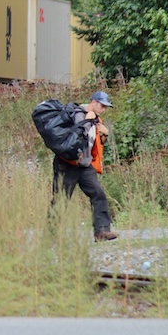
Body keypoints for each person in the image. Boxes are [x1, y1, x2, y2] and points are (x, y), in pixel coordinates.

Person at [52, 90, 118, 241]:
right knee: (61, 199)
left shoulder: (97, 120)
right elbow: (74, 137)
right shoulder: (77, 114)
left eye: (106, 107)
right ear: (93, 102)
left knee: (98, 193)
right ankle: (52, 235)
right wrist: (87, 122)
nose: (104, 109)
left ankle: (101, 231)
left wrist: (105, 134)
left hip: (85, 165)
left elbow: (94, 143)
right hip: (67, 164)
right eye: (102, 106)